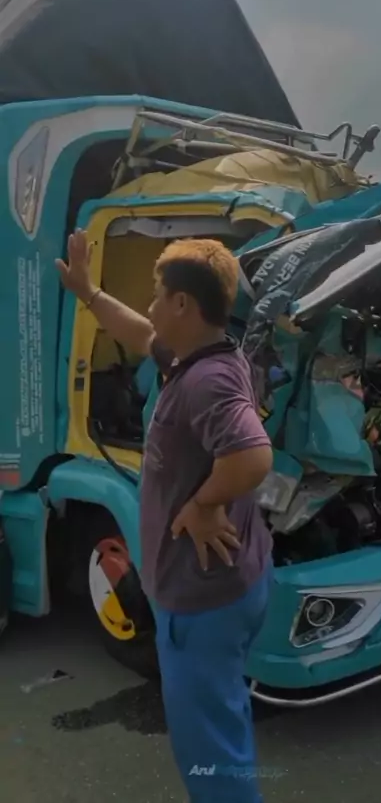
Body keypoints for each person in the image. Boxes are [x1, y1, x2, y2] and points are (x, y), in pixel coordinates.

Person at [56, 231, 274, 803]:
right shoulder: (204, 354)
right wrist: (89, 293)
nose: (151, 305)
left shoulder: (208, 380)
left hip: (201, 602)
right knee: (222, 718)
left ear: (183, 303)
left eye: (157, 294)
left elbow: (253, 456)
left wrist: (203, 503)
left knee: (209, 752)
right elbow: (141, 334)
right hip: (229, 588)